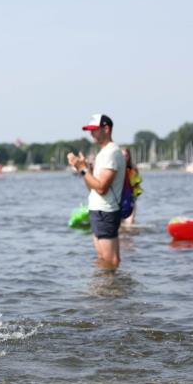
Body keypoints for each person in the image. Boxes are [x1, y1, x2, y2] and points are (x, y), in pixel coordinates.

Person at [67, 113, 126, 268]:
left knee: (110, 260)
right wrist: (85, 169)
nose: (91, 133)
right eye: (90, 130)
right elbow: (92, 187)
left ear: (106, 129)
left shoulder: (112, 152)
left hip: (106, 211)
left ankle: (111, 290)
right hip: (98, 210)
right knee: (102, 258)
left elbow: (101, 188)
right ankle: (103, 289)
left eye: (94, 129)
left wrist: (81, 168)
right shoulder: (103, 152)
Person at [121, 147, 142, 226]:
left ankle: (129, 237)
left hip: (130, 200)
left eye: (126, 156)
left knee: (129, 225)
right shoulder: (115, 169)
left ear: (129, 157)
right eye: (122, 156)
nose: (124, 158)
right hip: (117, 201)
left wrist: (134, 197)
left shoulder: (133, 169)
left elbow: (137, 186)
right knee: (119, 227)